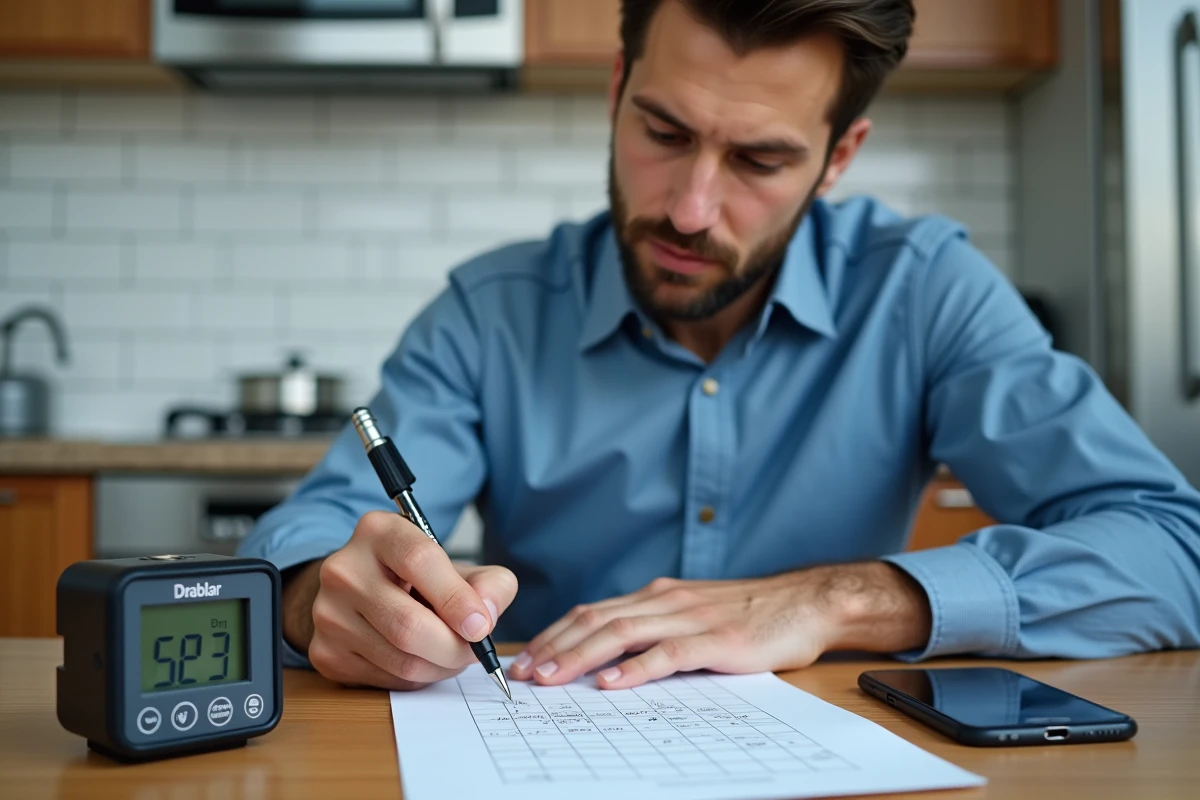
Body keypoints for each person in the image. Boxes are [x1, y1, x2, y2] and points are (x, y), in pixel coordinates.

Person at [239, 0, 1200, 693]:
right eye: (664, 131)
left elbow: (1172, 549)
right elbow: (324, 533)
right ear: (617, 92)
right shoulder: (491, 311)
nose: (691, 209)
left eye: (761, 159)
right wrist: (314, 594)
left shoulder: (923, 291)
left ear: (840, 157)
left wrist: (837, 601)